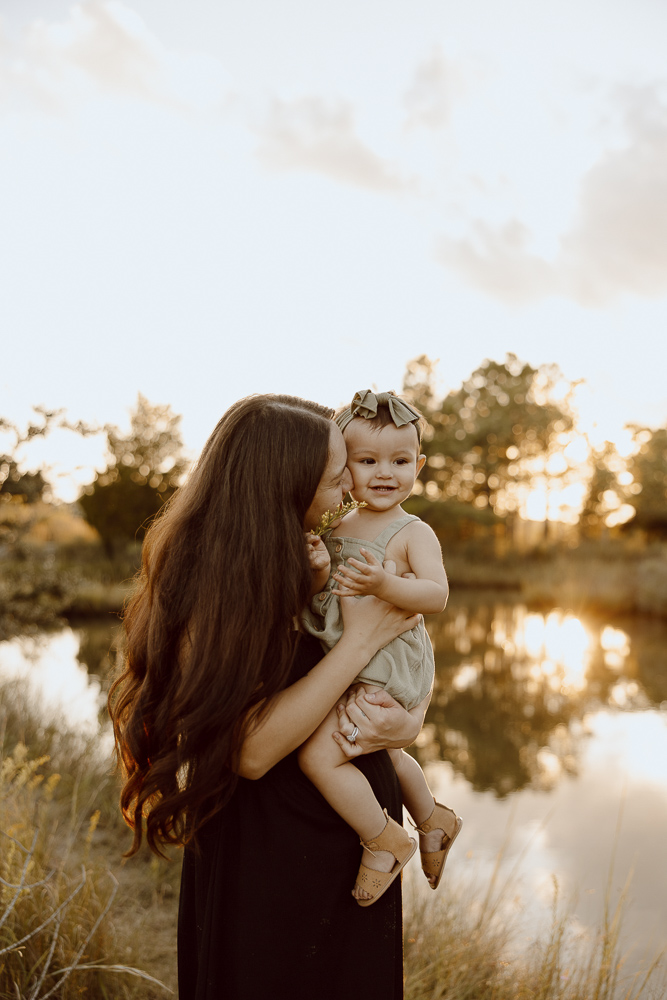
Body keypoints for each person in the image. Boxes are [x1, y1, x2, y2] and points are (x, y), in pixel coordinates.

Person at [108, 393, 429, 1000]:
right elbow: (251, 750)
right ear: (284, 482)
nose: (348, 485)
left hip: (340, 842)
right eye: (336, 473)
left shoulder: (304, 552)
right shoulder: (211, 583)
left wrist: (404, 725)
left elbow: (391, 668)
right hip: (276, 853)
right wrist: (355, 646)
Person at [300, 389, 462, 906]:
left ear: (420, 464)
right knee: (382, 751)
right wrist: (319, 570)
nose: (384, 472)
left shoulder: (413, 531)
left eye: (399, 460)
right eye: (367, 461)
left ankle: (385, 840)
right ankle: (433, 818)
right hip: (348, 653)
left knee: (321, 756)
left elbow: (435, 595)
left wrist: (384, 585)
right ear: (345, 468)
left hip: (388, 660)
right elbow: (326, 598)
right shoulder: (335, 524)